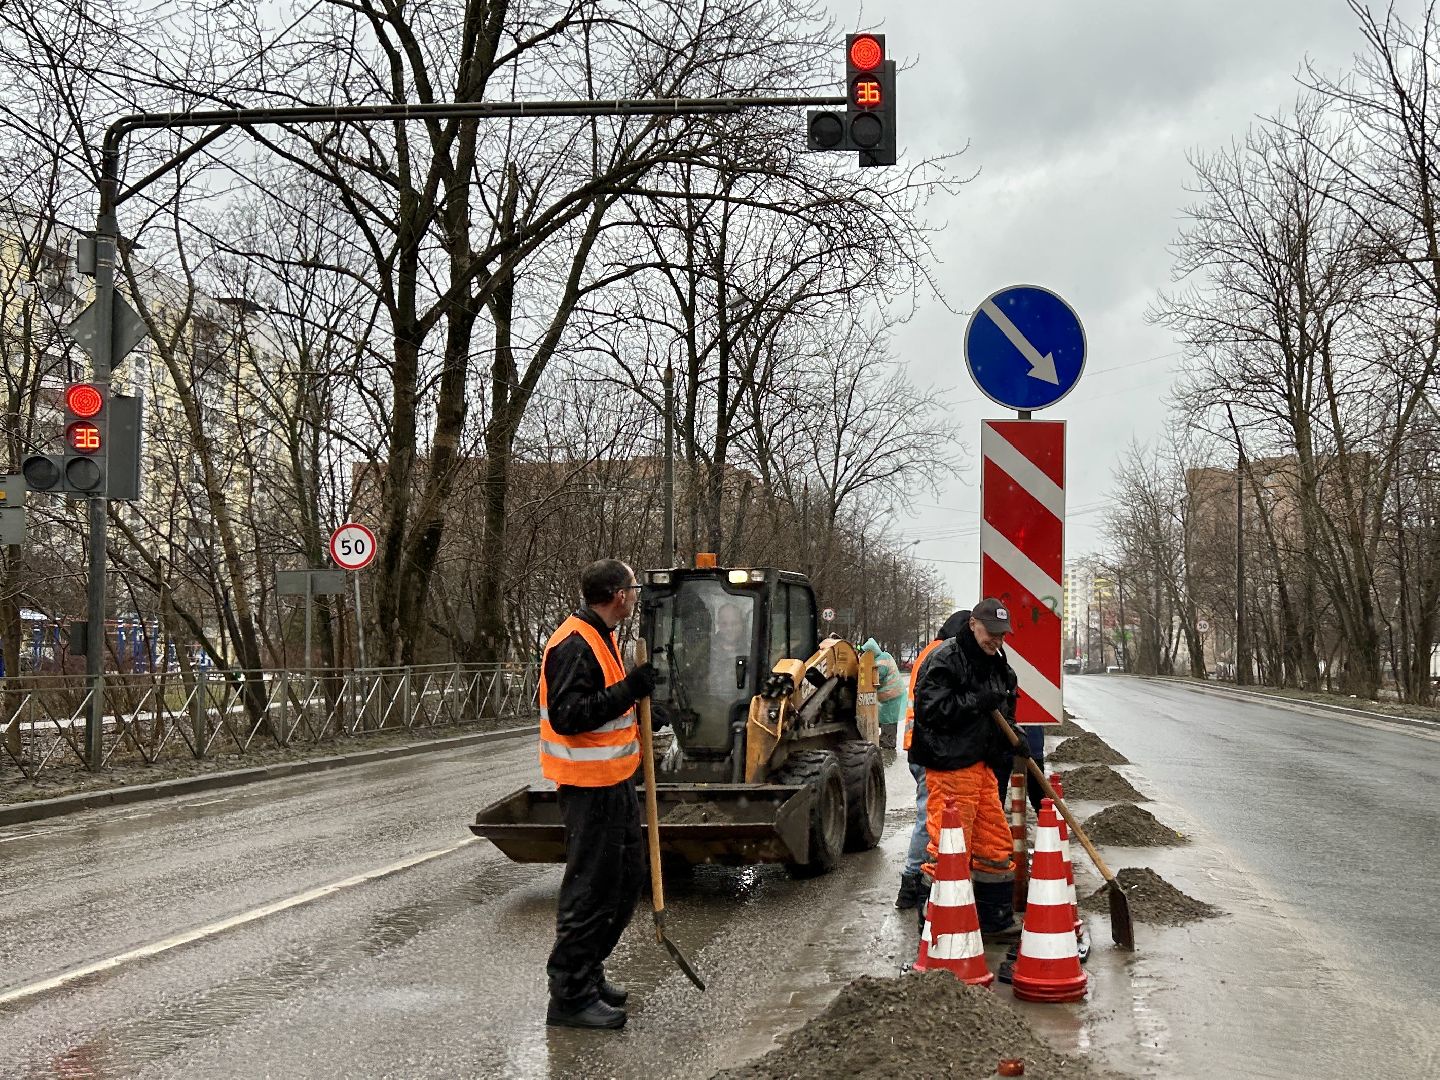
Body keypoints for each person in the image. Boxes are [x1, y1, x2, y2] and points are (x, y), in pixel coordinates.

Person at [539, 558, 658, 1030]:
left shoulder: (603, 637)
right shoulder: (574, 643)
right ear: (616, 594)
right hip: (589, 790)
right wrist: (630, 689)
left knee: (625, 882)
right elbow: (570, 715)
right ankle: (569, 995)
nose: (634, 595)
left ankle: (589, 972)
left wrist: (645, 704)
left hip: (615, 782)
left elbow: (608, 707)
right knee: (590, 893)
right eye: (632, 587)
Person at [910, 598, 1028, 939]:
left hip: (982, 764)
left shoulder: (998, 665)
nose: (996, 640)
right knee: (950, 846)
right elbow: (932, 710)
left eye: (1002, 635)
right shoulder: (947, 658)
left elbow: (1004, 711)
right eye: (991, 632)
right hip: (950, 764)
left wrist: (1015, 735)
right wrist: (977, 702)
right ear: (973, 624)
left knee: (994, 844)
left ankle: (994, 919)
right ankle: (937, 922)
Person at [894, 611, 967, 912]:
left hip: (918, 745)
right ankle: (912, 882)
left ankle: (918, 881)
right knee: (929, 816)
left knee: (931, 814)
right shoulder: (942, 655)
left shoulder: (930, 651)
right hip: (927, 748)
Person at [860, 638, 904, 749]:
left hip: (891, 695)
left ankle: (888, 742)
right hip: (892, 695)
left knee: (889, 720)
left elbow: (877, 678)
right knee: (886, 718)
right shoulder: (884, 656)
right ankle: (886, 739)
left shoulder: (881, 661)